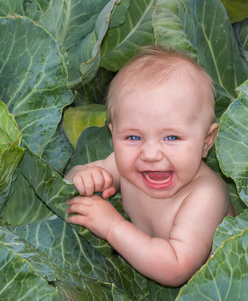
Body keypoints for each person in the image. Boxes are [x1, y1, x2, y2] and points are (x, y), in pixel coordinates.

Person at [65, 45, 236, 287]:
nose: (152, 154)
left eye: (172, 138)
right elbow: (69, 184)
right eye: (133, 138)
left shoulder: (206, 195)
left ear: (206, 142)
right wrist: (83, 176)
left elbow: (176, 269)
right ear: (113, 135)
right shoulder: (126, 166)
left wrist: (112, 227)